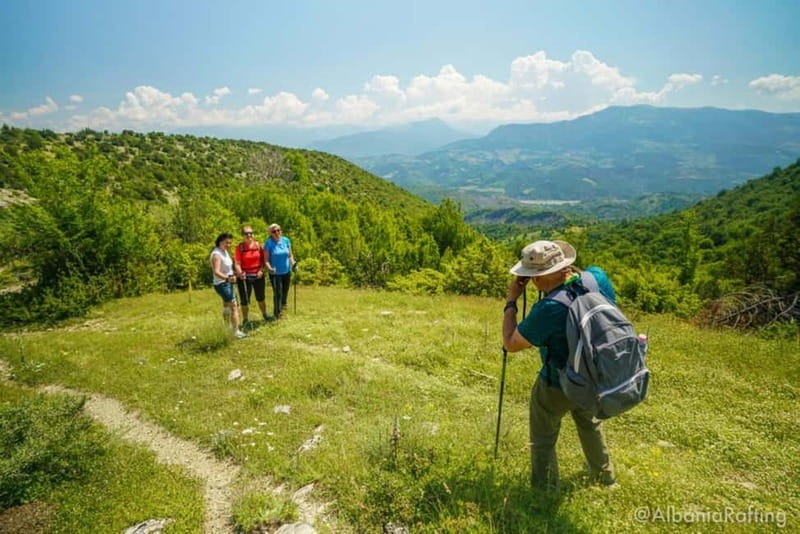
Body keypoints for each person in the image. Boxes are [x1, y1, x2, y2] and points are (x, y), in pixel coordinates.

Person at [502, 240, 615, 491]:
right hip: (597, 373)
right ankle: (604, 477)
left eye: (532, 276)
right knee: (590, 423)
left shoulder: (549, 308)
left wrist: (511, 301)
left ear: (539, 278)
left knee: (543, 437)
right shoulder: (596, 278)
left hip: (559, 382)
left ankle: (544, 490)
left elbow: (511, 343)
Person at [210, 232, 247, 339]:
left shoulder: (224, 251)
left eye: (230, 243)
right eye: (227, 243)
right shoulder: (216, 254)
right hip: (222, 284)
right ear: (220, 241)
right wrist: (227, 278)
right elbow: (216, 272)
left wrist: (237, 274)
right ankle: (236, 331)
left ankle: (227, 328)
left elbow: (228, 269)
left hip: (227, 282)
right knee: (234, 306)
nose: (229, 245)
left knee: (226, 305)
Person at [234, 225, 270, 325]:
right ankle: (245, 320)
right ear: (242, 235)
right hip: (244, 277)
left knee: (261, 297)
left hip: (258, 275)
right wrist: (240, 273)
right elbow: (237, 263)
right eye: (246, 233)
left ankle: (265, 315)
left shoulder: (259, 246)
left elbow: (264, 261)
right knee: (245, 300)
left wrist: (261, 271)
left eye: (251, 233)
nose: (249, 235)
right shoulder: (239, 248)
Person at [263, 223, 296, 319]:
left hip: (286, 271)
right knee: (278, 293)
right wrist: (270, 268)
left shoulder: (286, 240)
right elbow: (266, 260)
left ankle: (283, 305)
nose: (277, 232)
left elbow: (290, 255)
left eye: (278, 230)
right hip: (275, 273)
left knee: (285, 291)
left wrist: (293, 264)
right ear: (270, 233)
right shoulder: (268, 243)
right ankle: (277, 313)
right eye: (274, 231)